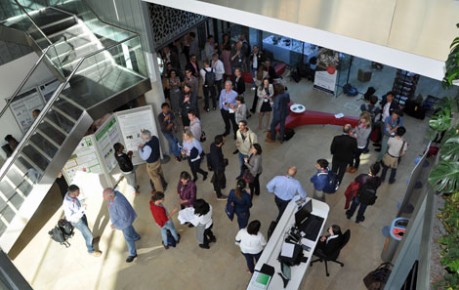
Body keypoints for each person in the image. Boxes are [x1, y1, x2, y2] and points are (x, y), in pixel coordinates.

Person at [103, 188, 140, 263]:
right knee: (130, 228)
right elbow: (112, 200)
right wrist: (110, 203)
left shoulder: (119, 204)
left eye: (105, 197)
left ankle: (133, 254)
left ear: (110, 196)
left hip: (124, 223)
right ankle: (136, 236)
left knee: (128, 238)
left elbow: (125, 217)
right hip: (127, 222)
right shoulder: (116, 194)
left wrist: (115, 225)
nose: (103, 198)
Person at [63, 185, 101, 257]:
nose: (79, 193)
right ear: (73, 194)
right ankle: (91, 250)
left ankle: (91, 241)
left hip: (82, 215)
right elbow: (69, 218)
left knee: (86, 232)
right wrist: (81, 210)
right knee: (89, 235)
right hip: (77, 221)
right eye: (78, 192)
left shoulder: (70, 195)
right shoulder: (67, 203)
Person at [209, 134, 228, 200]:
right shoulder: (216, 155)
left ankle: (222, 185)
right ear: (220, 143)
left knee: (220, 178)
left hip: (215, 166)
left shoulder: (212, 145)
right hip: (218, 168)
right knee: (217, 180)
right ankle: (219, 195)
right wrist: (223, 164)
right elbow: (218, 164)